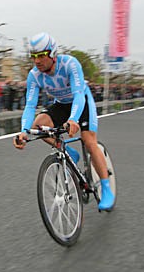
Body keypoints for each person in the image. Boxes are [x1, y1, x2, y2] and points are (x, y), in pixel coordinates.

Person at [13, 33, 115, 211]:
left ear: (52, 53)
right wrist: (23, 131)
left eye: (41, 55)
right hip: (61, 104)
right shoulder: (34, 76)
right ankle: (68, 151)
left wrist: (73, 119)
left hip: (81, 101)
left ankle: (106, 189)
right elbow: (30, 106)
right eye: (34, 56)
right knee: (38, 126)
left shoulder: (70, 64)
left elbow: (78, 95)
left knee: (89, 141)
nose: (37, 61)